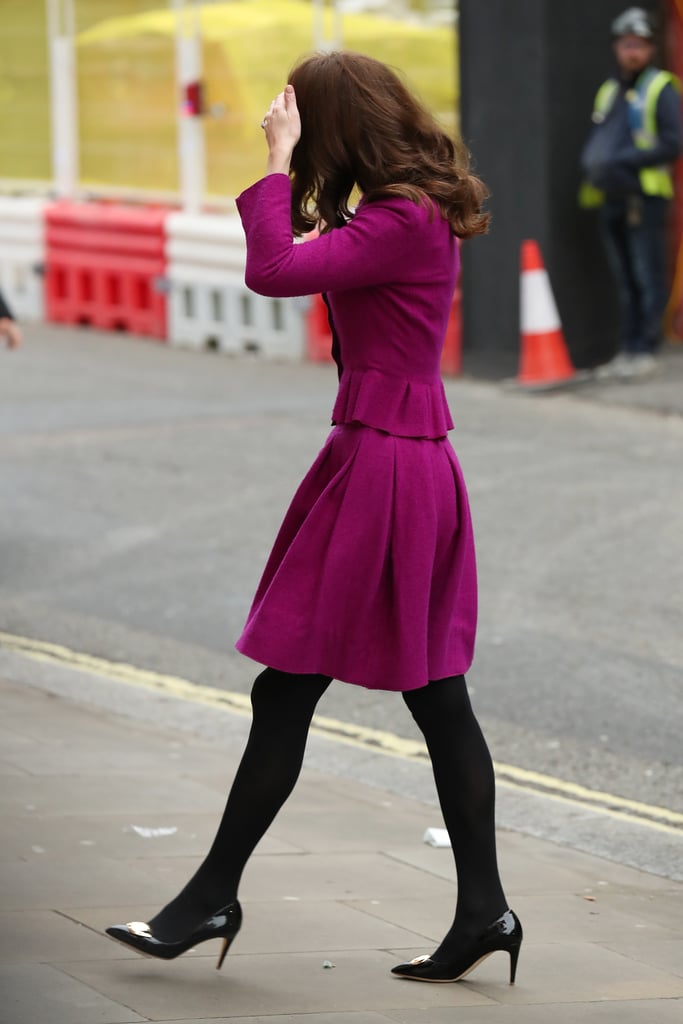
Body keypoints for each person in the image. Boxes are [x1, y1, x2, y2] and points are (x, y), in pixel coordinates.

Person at [106, 51, 522, 986]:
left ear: (337, 126)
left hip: (385, 463)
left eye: (300, 120)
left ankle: (215, 894)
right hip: (380, 456)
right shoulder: (398, 210)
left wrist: (275, 160)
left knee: (316, 688)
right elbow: (310, 264)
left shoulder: (403, 217)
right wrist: (303, 178)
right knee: (421, 696)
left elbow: (270, 272)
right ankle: (482, 909)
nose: (284, 130)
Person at [580, 6, 683, 379]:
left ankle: (645, 348)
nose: (633, 51)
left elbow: (673, 143)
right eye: (627, 44)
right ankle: (628, 349)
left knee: (646, 274)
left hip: (645, 197)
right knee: (623, 278)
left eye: (640, 44)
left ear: (651, 48)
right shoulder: (609, 91)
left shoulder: (661, 88)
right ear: (616, 47)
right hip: (612, 196)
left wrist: (624, 160)